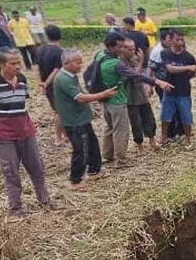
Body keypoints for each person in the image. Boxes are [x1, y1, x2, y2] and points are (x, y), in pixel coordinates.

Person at [0, 49, 51, 218]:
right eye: (13, 63)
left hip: (26, 132)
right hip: (5, 135)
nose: (18, 66)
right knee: (11, 172)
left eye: (19, 62)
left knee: (37, 168)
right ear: (2, 65)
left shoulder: (22, 80)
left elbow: (22, 105)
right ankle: (15, 208)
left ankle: (45, 200)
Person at [92, 31, 172, 167]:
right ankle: (121, 160)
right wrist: (158, 82)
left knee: (109, 127)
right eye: (120, 47)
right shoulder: (115, 64)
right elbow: (137, 76)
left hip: (105, 98)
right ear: (111, 47)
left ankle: (107, 155)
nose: (122, 50)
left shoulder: (100, 55)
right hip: (117, 100)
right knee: (120, 130)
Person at [53, 49, 118, 190]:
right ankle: (75, 180)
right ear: (66, 63)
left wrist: (92, 106)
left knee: (92, 144)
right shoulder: (63, 79)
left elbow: (82, 93)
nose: (81, 65)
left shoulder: (71, 76)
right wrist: (103, 94)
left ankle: (94, 170)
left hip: (82, 118)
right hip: (74, 121)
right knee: (80, 149)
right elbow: (80, 97)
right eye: (77, 62)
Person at [159, 33, 196, 145]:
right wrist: (187, 68)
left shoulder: (189, 57)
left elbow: (193, 73)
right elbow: (170, 69)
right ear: (171, 40)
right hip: (169, 91)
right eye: (177, 39)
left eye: (182, 40)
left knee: (186, 116)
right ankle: (164, 137)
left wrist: (189, 71)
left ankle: (187, 138)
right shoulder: (165, 53)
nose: (180, 42)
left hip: (184, 91)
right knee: (166, 116)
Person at [122, 38, 158, 153]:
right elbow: (134, 74)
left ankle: (152, 140)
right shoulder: (120, 62)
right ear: (123, 49)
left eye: (133, 49)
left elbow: (142, 75)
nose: (132, 51)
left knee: (149, 118)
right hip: (130, 97)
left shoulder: (134, 59)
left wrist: (148, 86)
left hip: (141, 94)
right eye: (129, 49)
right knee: (135, 122)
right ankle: (140, 146)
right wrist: (141, 61)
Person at [35, 25, 66, 145]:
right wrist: (46, 83)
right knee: (60, 112)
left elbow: (36, 67)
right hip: (55, 85)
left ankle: (64, 134)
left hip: (47, 85)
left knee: (57, 110)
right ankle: (58, 137)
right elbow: (56, 70)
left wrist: (40, 83)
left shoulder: (40, 49)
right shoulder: (59, 51)